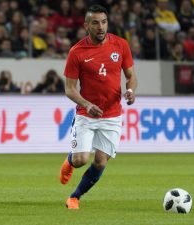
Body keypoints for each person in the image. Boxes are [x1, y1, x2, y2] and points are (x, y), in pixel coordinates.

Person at [59, 4, 138, 210]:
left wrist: (130, 91)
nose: (100, 27)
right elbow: (69, 88)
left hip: (112, 115)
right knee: (80, 160)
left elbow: (130, 76)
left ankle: (74, 197)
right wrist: (86, 103)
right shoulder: (77, 52)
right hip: (86, 113)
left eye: (103, 22)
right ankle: (69, 161)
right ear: (86, 26)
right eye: (95, 23)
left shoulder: (120, 45)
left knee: (101, 162)